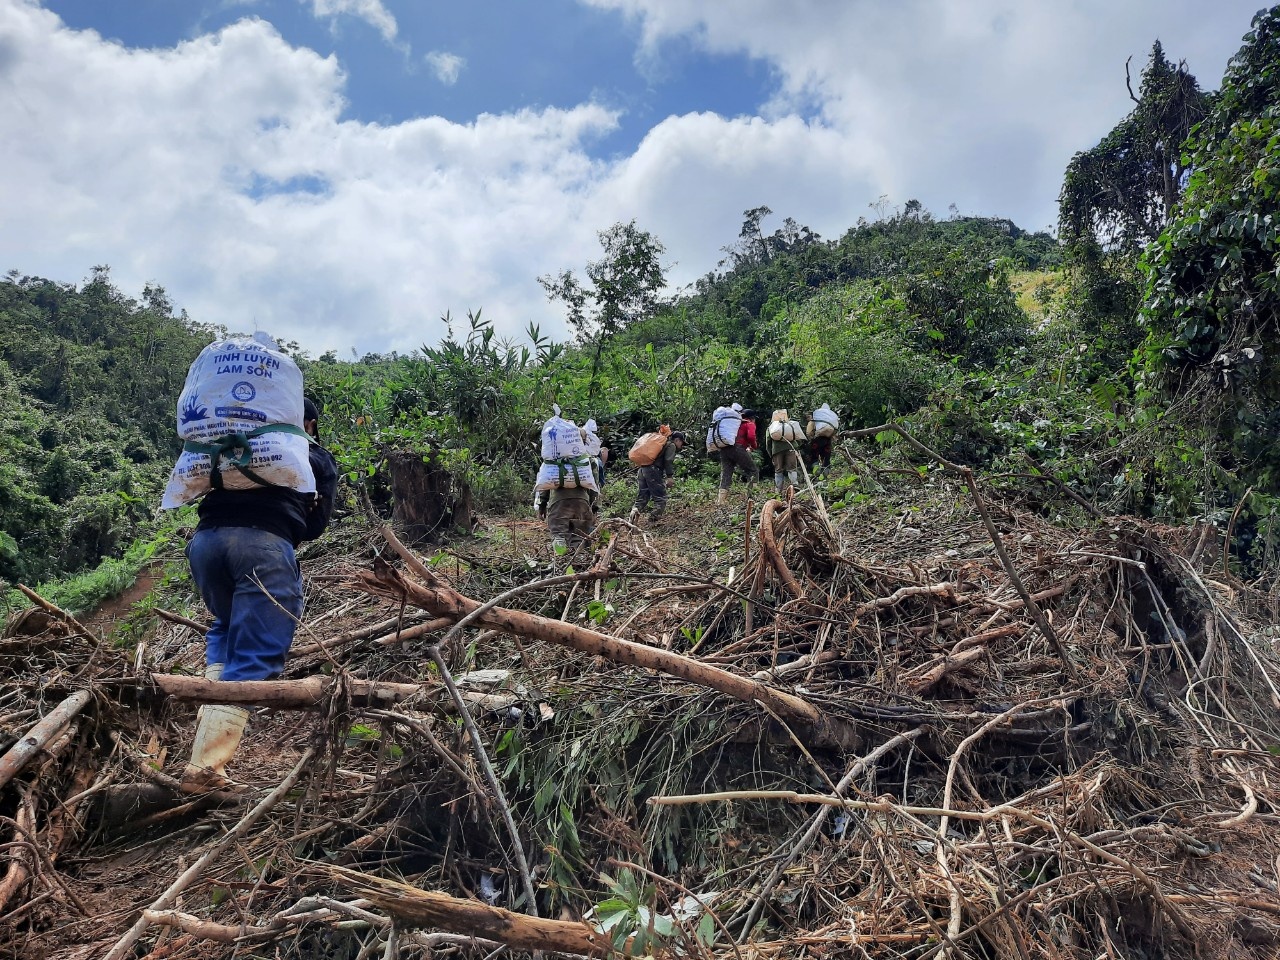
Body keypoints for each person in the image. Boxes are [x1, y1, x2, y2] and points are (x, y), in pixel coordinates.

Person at [180, 396, 338, 792]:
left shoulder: (233, 442)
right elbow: (316, 525)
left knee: (226, 626)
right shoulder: (311, 455)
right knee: (254, 655)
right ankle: (205, 770)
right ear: (309, 423)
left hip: (205, 544)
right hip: (263, 547)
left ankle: (209, 722)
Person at [632, 430, 685, 521]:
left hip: (642, 469)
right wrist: (669, 476)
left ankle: (631, 519)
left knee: (642, 497)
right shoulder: (671, 445)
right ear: (677, 440)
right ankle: (653, 521)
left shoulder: (662, 444)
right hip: (653, 471)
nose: (681, 445)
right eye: (682, 443)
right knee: (661, 498)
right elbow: (668, 461)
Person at [717, 404, 759, 505]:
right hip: (737, 448)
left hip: (724, 449)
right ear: (752, 418)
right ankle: (752, 497)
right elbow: (751, 436)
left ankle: (721, 500)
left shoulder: (734, 424)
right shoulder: (748, 423)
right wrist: (754, 446)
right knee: (753, 471)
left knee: (726, 473)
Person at [536, 484, 597, 551]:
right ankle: (578, 556)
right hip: (581, 502)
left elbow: (545, 484)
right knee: (580, 537)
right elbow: (594, 485)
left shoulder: (554, 473)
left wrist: (541, 505)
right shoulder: (585, 473)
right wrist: (594, 507)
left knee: (559, 536)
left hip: (559, 502)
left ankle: (560, 556)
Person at [765, 410, 800, 496]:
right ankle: (795, 485)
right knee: (792, 468)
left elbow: (768, 442)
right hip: (791, 448)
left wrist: (771, 455)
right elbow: (796, 437)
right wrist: (796, 449)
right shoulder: (789, 425)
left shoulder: (771, 427)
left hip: (777, 450)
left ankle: (778, 491)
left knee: (778, 470)